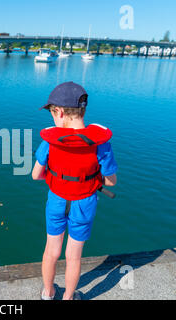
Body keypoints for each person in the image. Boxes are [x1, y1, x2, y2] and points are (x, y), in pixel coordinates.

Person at [32, 81, 118, 300]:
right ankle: (69, 297)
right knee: (74, 256)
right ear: (83, 110)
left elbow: (36, 175)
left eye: (51, 112)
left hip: (57, 200)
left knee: (51, 251)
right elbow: (110, 182)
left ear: (60, 112)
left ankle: (48, 293)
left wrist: (56, 180)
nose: (52, 118)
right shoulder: (101, 143)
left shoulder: (51, 141)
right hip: (84, 202)